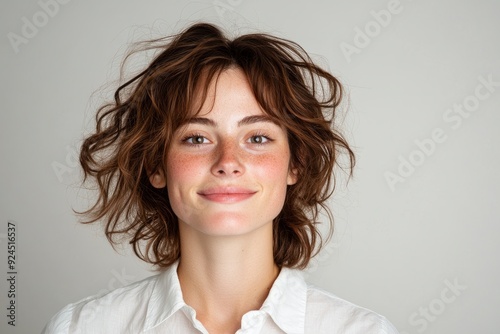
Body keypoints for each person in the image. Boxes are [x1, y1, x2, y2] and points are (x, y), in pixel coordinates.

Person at [42, 22, 399, 333]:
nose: (228, 162)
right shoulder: (80, 328)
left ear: (296, 164)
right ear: (156, 165)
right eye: (196, 138)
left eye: (257, 138)